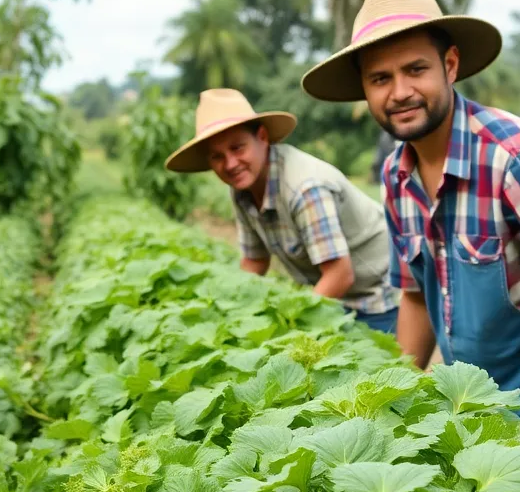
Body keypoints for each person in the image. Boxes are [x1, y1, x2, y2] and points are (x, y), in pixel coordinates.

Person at [301, 0, 520, 463]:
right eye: (380, 78)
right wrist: (396, 398)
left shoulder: (514, 160)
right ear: (364, 90)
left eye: (416, 69)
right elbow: (414, 296)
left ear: (449, 65)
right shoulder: (396, 174)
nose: (400, 92)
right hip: (477, 389)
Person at [164, 88, 400, 333]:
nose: (230, 164)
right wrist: (232, 314)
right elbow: (254, 261)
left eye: (237, 148)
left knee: (378, 368)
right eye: (217, 157)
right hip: (334, 298)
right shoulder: (242, 188)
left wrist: (290, 326)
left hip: (379, 296)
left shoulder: (305, 188)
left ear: (262, 137)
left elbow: (339, 275)